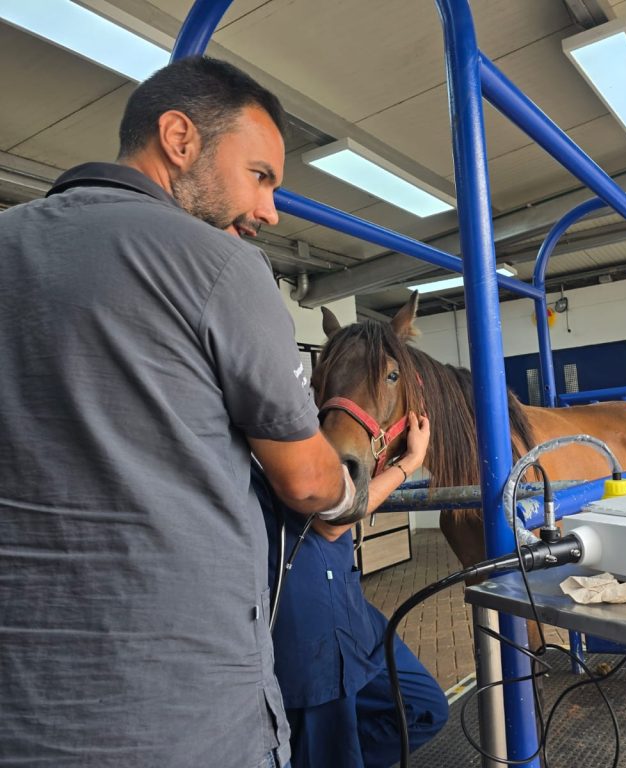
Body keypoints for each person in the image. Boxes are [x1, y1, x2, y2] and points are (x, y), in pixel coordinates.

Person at [0, 57, 358, 768]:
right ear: (180, 139)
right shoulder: (218, 264)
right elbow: (306, 481)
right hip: (183, 715)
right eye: (260, 176)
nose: (269, 211)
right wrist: (354, 491)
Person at [257, 410, 449, 768]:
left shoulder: (314, 426)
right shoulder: (272, 433)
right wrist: (409, 463)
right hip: (308, 631)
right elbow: (332, 520)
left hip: (352, 616)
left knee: (425, 707)